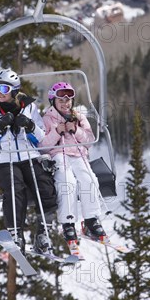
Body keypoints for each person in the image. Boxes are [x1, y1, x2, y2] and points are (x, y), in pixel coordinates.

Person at [0, 68, 57, 254]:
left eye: (4, 90)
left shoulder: (29, 108)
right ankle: (16, 234)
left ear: (14, 91)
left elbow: (42, 137)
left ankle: (43, 233)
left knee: (44, 186)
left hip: (29, 156)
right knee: (15, 188)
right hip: (5, 160)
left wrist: (29, 125)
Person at [39, 81, 106, 252]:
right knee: (67, 182)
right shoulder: (47, 119)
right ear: (53, 101)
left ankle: (91, 221)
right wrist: (57, 131)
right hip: (58, 155)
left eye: (68, 100)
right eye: (61, 100)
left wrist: (75, 130)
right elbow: (42, 146)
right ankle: (68, 223)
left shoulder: (79, 117)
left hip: (78, 155)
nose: (65, 104)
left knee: (89, 179)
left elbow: (90, 140)